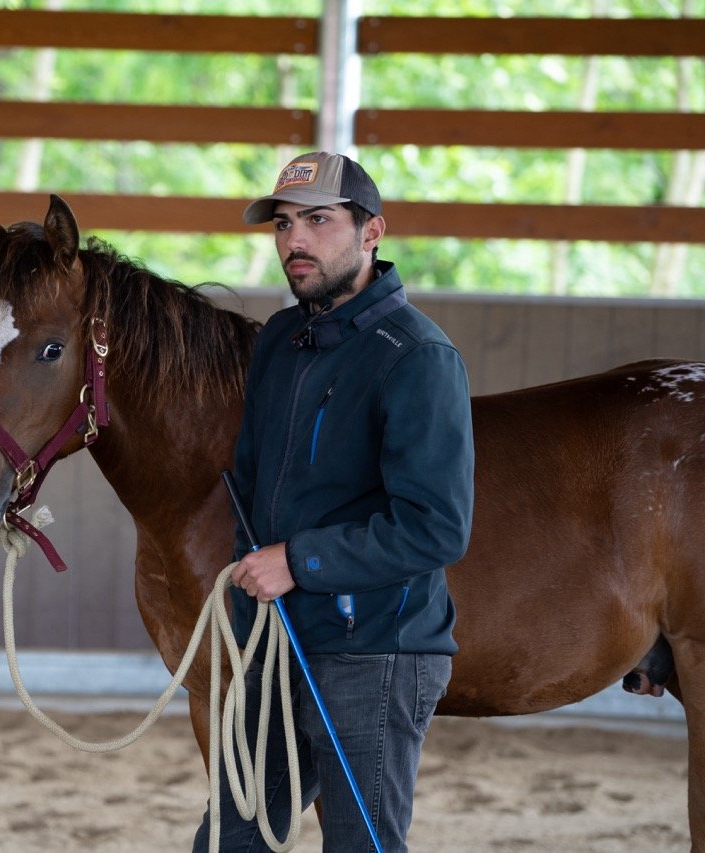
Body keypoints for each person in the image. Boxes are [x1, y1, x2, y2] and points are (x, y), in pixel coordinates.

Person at [193, 152, 475, 852]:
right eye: (283, 224)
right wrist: (250, 616)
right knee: (230, 842)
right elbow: (252, 491)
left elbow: (436, 529)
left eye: (318, 220)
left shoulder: (417, 356)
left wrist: (298, 561)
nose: (295, 240)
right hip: (278, 641)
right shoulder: (281, 341)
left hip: (374, 654)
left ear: (371, 231)